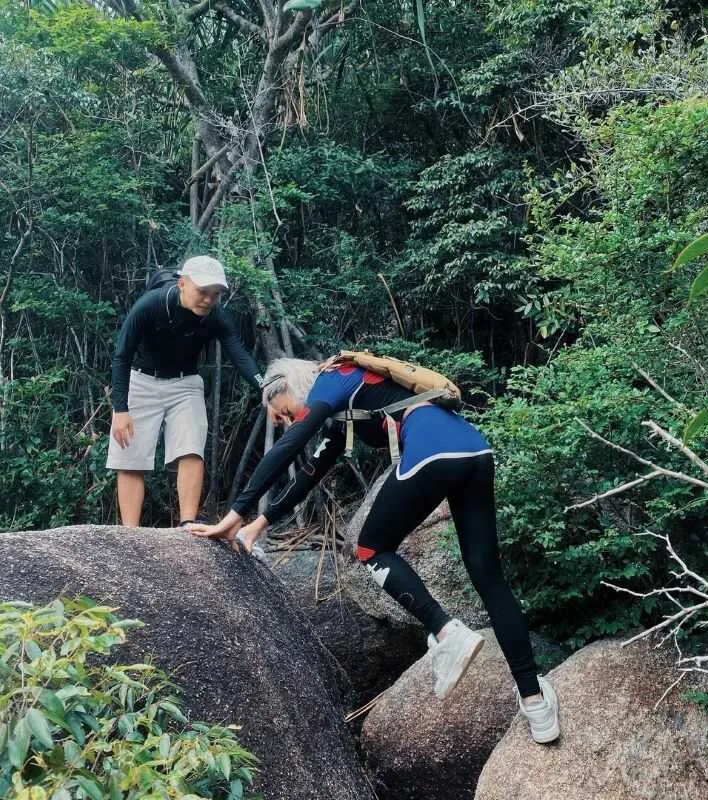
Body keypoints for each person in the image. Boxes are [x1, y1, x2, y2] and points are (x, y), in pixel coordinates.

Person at [188, 356, 560, 742]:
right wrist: (258, 524)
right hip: (474, 453)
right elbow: (311, 471)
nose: (283, 421)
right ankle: (535, 701)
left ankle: (447, 632)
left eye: (281, 412)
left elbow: (290, 445)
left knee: (371, 548)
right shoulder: (346, 408)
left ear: (285, 386)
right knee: (489, 578)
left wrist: (233, 513)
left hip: (432, 452)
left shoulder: (332, 378)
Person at [107, 255, 266, 527]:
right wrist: (120, 409)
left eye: (215, 294)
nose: (208, 299)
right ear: (183, 284)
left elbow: (238, 352)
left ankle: (187, 525)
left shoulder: (215, 315)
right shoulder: (151, 305)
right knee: (131, 456)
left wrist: (267, 387)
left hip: (185, 383)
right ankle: (129, 534)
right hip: (142, 379)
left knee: (191, 446)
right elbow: (122, 356)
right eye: (202, 291)